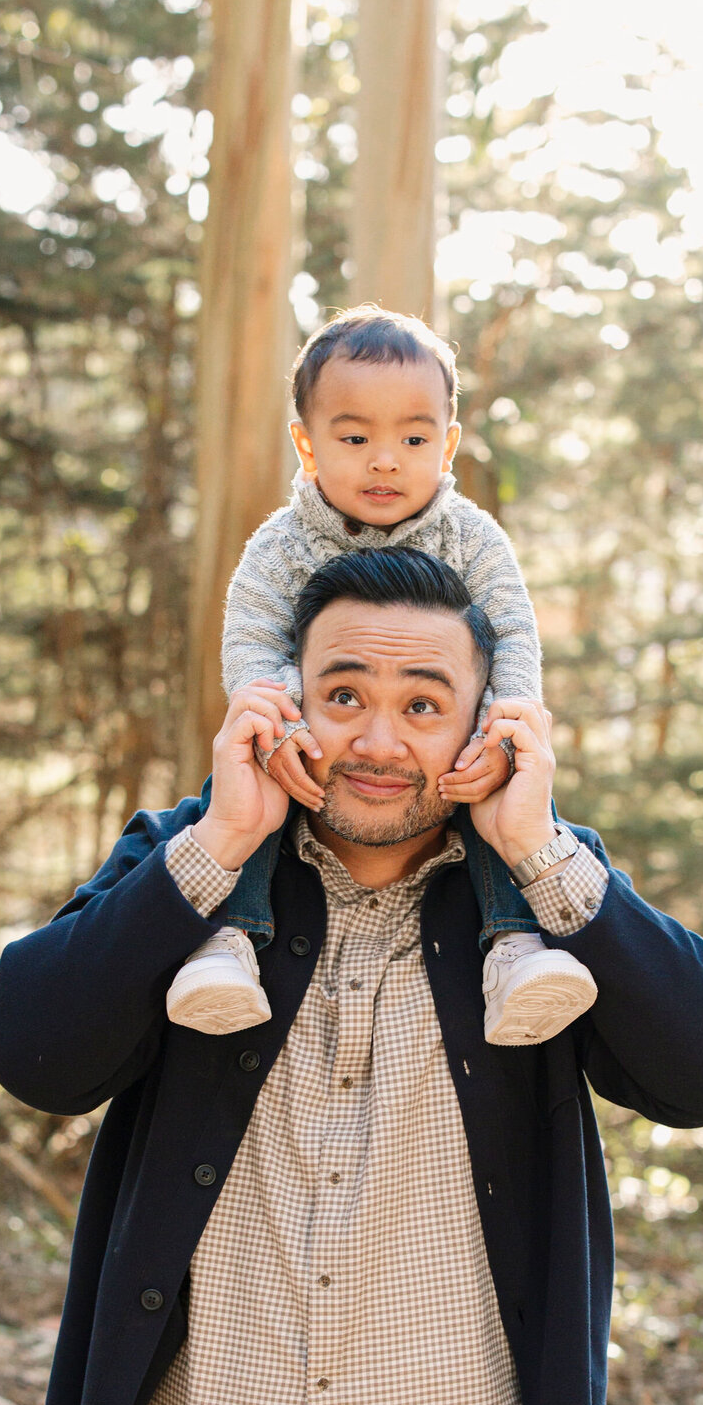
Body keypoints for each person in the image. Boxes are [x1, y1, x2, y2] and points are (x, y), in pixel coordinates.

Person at [0, 547, 703, 1405]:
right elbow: (33, 1048)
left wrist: (547, 849)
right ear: (286, 698)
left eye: (422, 703)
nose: (379, 739)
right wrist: (217, 843)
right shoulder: (196, 869)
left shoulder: (538, 896)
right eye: (343, 695)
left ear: (479, 722)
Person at [164, 303, 599, 1047]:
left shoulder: (472, 538)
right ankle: (228, 941)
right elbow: (252, 641)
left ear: (449, 444)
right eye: (356, 436)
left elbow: (515, 634)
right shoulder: (281, 546)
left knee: (486, 790)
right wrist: (283, 721)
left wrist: (504, 719)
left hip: (455, 752)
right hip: (299, 747)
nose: (385, 459)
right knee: (250, 778)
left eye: (413, 437)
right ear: (306, 443)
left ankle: (514, 948)